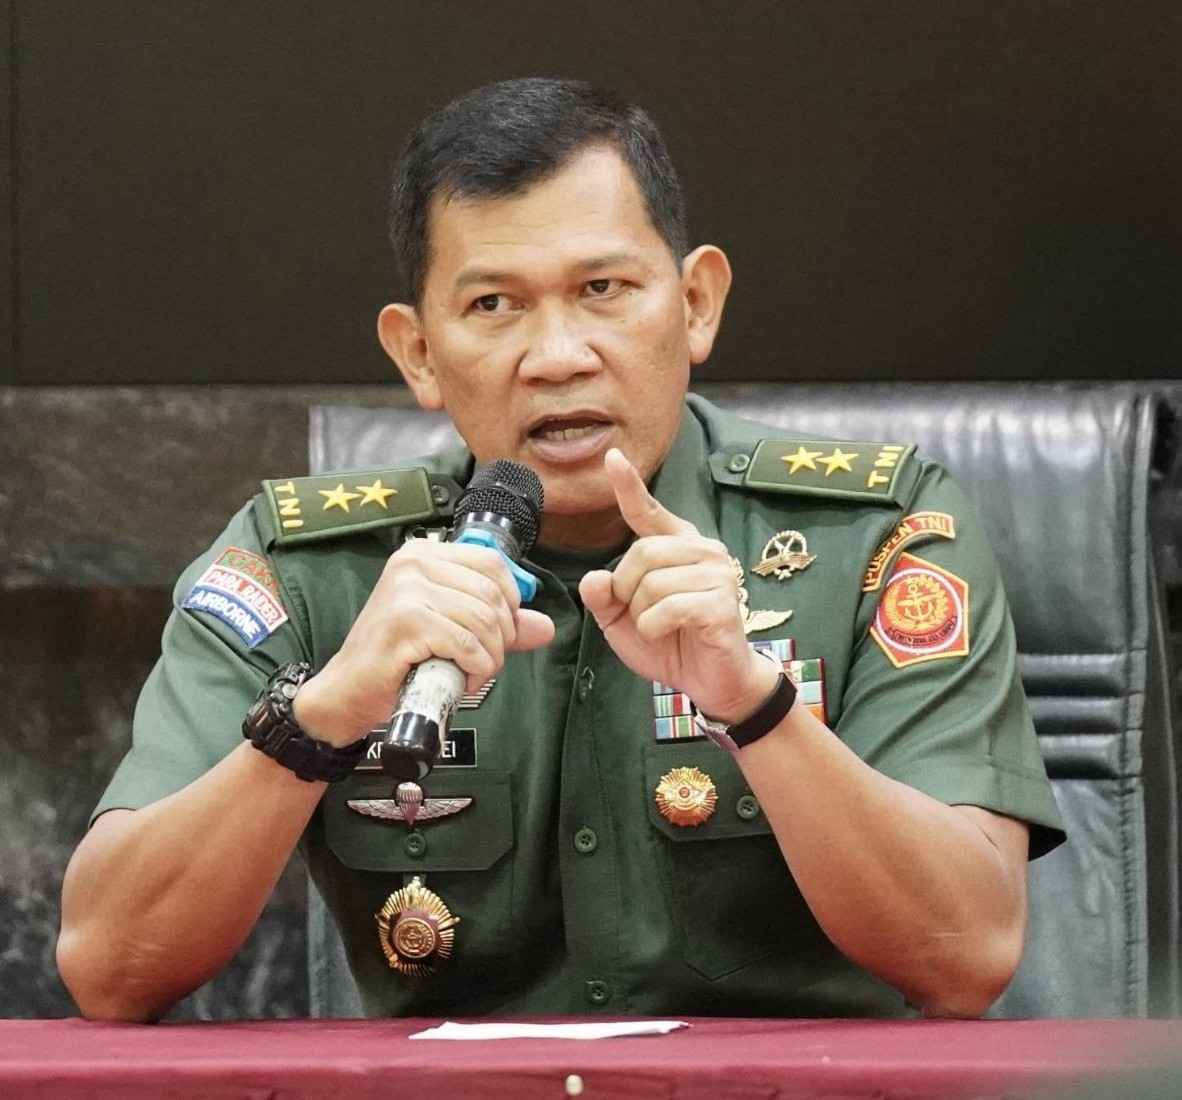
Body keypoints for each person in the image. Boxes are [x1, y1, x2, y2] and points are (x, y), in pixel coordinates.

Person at [58, 77, 1063, 1022]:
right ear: (418, 352)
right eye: (493, 305)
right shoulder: (311, 564)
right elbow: (108, 963)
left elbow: (967, 951)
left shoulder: (879, 533)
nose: (557, 356)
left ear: (696, 303)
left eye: (603, 288)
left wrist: (755, 704)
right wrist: (320, 717)